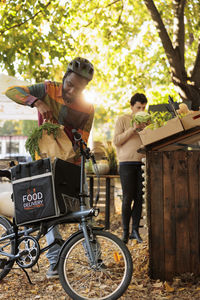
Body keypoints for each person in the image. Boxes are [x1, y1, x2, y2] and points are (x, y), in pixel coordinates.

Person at [5, 57, 95, 278]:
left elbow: (81, 139)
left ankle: (95, 258)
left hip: (70, 163)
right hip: (43, 162)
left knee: (85, 210)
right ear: (64, 77)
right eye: (69, 84)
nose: (71, 90)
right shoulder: (47, 89)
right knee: (49, 214)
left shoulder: (87, 108)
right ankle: (54, 263)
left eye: (78, 88)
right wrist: (36, 101)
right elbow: (12, 91)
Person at [113, 93, 148, 244]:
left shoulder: (147, 121)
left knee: (140, 198)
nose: (141, 110)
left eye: (144, 107)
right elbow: (116, 141)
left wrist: (146, 130)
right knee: (128, 198)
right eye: (138, 107)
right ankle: (125, 232)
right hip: (126, 163)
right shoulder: (123, 119)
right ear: (132, 107)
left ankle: (135, 231)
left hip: (142, 163)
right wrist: (133, 129)